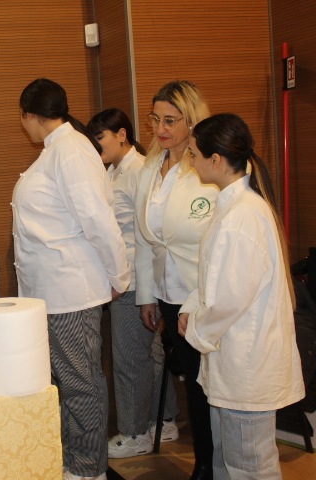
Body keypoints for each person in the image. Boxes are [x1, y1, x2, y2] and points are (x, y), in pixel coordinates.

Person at [13, 78, 130, 480]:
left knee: (81, 385)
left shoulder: (72, 150)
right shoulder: (58, 150)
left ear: (30, 116)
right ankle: (70, 460)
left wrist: (119, 276)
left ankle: (88, 469)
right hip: (51, 293)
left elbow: (99, 221)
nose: (23, 127)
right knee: (66, 383)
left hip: (72, 292)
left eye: (22, 120)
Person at [178, 113, 305, 479]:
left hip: (246, 365)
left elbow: (230, 299)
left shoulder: (242, 216)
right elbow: (212, 281)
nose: (191, 161)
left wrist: (196, 327)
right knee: (228, 461)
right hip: (233, 362)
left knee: (250, 466)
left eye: (193, 154)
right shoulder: (235, 207)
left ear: (215, 160)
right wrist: (192, 310)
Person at [134, 80, 218, 480]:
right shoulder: (150, 167)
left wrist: (200, 299)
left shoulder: (207, 167)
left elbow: (218, 243)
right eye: (155, 119)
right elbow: (144, 240)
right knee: (191, 383)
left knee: (209, 385)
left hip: (206, 295)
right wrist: (147, 297)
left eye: (171, 120)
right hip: (168, 293)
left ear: (191, 120)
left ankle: (208, 464)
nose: (161, 128)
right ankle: (205, 458)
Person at [87, 108, 180, 459]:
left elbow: (145, 235)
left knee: (129, 360)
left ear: (122, 134)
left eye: (101, 138)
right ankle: (165, 420)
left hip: (134, 280)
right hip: (123, 277)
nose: (97, 147)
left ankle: (135, 432)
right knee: (149, 356)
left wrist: (144, 293)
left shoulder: (140, 170)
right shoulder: (112, 172)